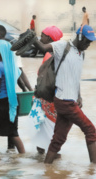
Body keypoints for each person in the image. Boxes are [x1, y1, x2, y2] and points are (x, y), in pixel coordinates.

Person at [32, 25, 96, 164]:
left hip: (68, 101)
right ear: (79, 37)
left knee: (58, 139)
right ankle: (94, 170)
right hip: (65, 102)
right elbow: (43, 48)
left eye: (90, 42)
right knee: (91, 131)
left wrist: (79, 96)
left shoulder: (81, 53)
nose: (88, 44)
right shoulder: (63, 46)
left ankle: (47, 168)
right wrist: (32, 37)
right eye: (86, 41)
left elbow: (75, 78)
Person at [28, 26, 63, 155]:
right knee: (50, 135)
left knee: (46, 136)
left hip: (47, 101)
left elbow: (44, 79)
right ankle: (49, 168)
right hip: (54, 100)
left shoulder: (48, 55)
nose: (40, 38)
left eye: (42, 35)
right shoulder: (56, 54)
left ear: (49, 38)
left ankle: (49, 165)